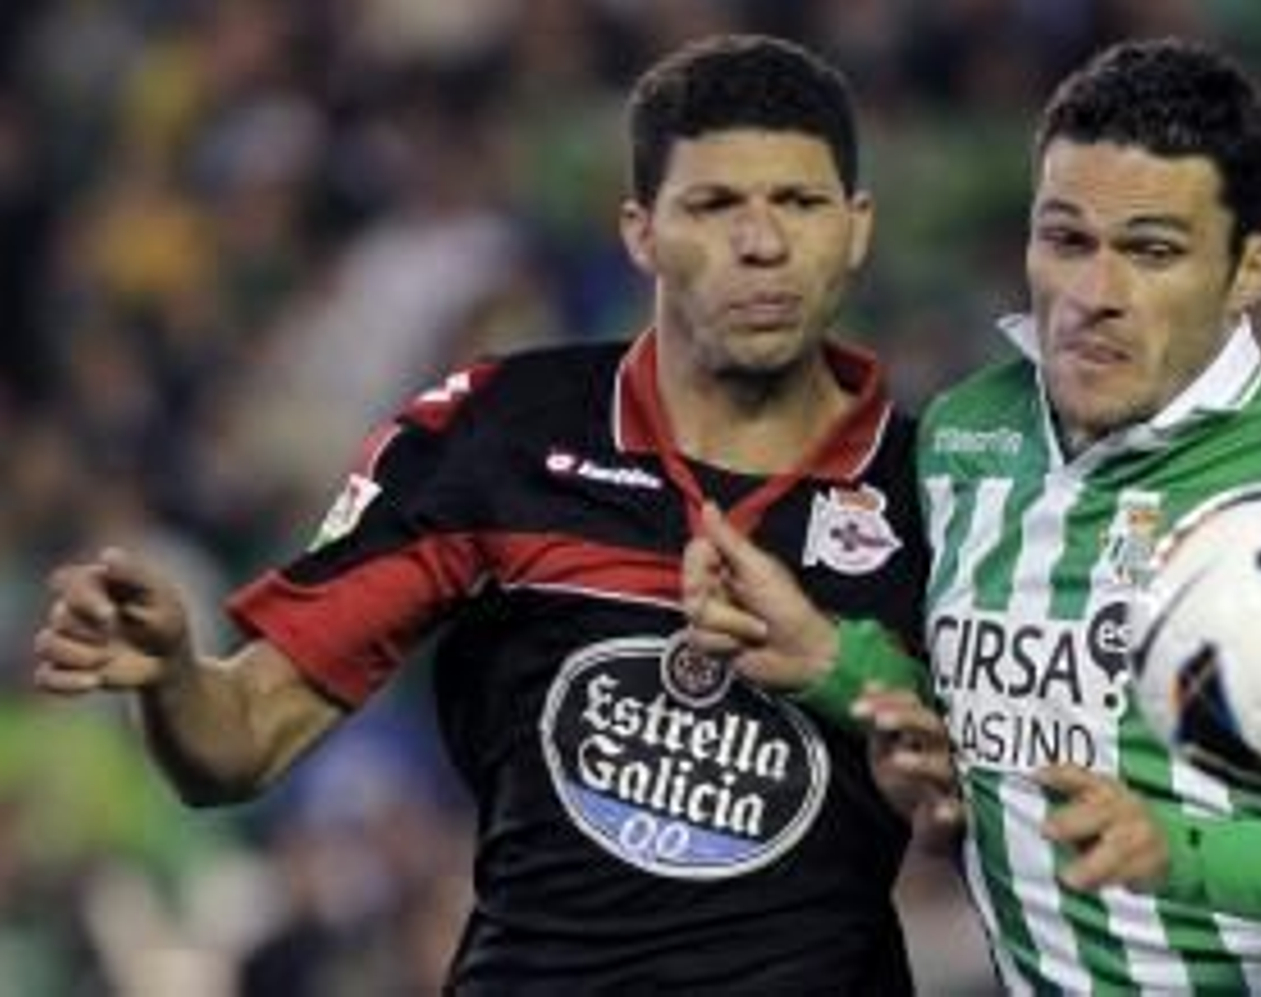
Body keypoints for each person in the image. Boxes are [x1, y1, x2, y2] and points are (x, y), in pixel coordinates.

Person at [32, 34, 933, 994]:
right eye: (713, 204)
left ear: (858, 225)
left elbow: (1020, 804)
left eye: (799, 202)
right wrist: (173, 677)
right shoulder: (495, 434)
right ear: (638, 230)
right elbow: (239, 740)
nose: (761, 243)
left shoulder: (948, 492)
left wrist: (847, 673)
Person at [684, 37, 1261, 994]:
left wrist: (1168, 846)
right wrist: (828, 661)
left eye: (1151, 251)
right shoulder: (969, 435)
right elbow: (995, 721)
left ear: (1250, 268)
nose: (1096, 295)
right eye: (1067, 239)